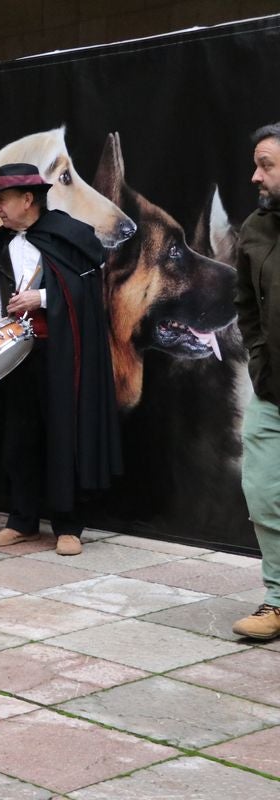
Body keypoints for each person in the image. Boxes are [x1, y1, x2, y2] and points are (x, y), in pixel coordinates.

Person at [0, 163, 121, 556]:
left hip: (62, 355)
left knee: (62, 434)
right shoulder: (2, 242)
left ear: (27, 199)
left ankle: (68, 525)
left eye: (2, 200)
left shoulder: (68, 235)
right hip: (17, 357)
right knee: (19, 437)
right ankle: (22, 520)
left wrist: (42, 298)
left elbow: (89, 294)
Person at [233, 122, 280, 640]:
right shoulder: (255, 228)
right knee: (265, 493)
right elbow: (246, 304)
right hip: (272, 391)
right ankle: (277, 600)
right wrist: (261, 360)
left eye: (266, 164)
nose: (255, 175)